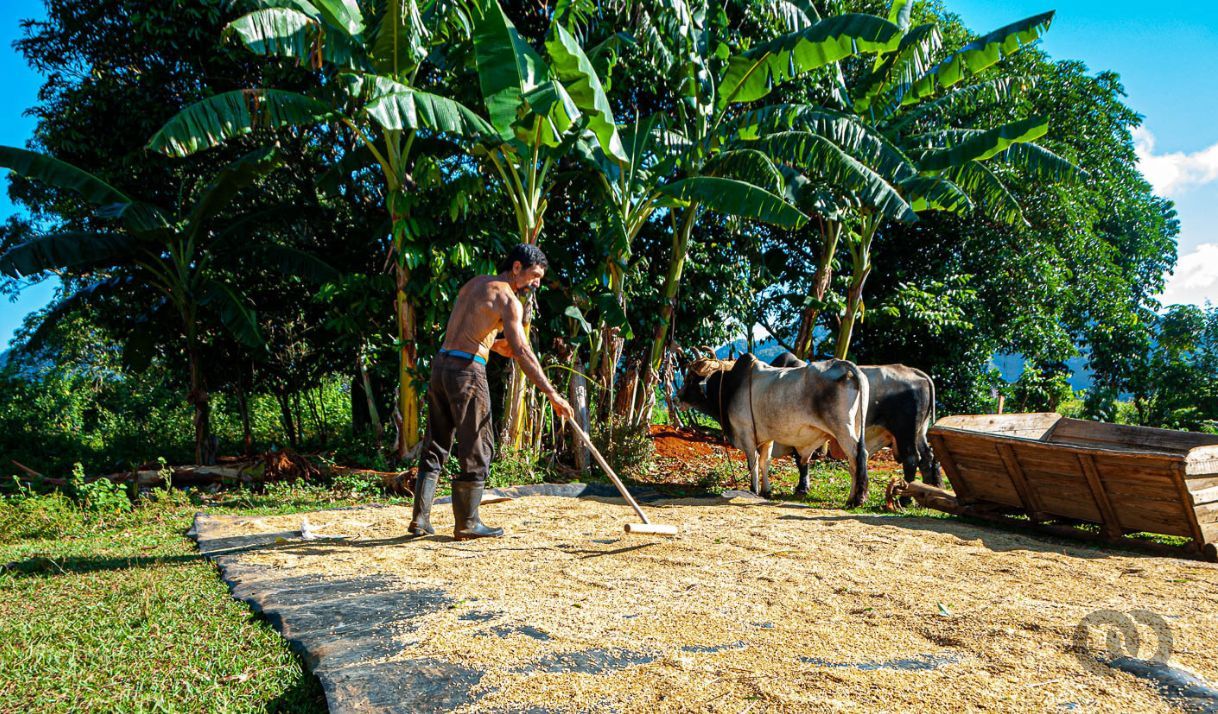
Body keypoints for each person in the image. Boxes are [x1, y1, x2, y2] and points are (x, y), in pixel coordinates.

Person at [408, 244, 575, 540]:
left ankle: (420, 520)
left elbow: (475, 335)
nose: (536, 283)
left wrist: (497, 345)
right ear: (516, 268)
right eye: (534, 276)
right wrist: (553, 395)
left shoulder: (476, 284)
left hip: (441, 365)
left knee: (436, 442)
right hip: (467, 373)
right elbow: (522, 352)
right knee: (478, 446)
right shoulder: (509, 300)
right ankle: (468, 523)